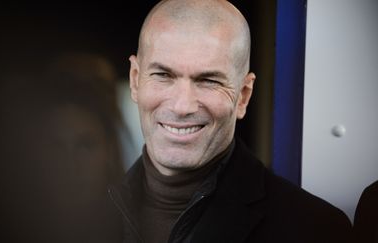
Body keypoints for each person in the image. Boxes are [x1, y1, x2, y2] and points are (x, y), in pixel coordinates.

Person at [108, 0, 352, 242]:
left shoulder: (315, 229)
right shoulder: (79, 214)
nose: (182, 106)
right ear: (135, 79)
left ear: (243, 96)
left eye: (209, 80)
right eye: (163, 75)